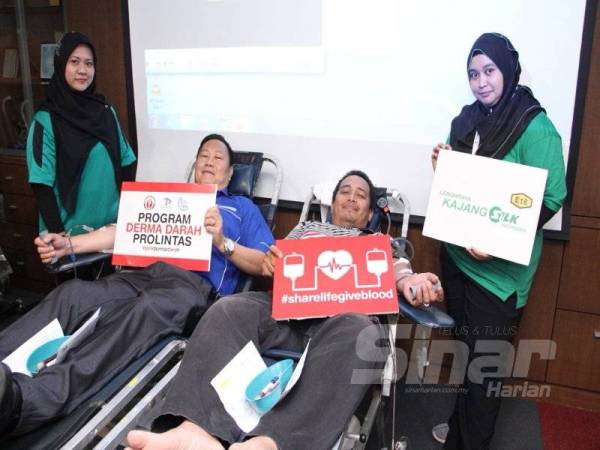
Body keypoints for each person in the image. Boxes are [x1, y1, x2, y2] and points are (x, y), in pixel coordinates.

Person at [125, 170, 444, 450]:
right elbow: (272, 263)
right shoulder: (305, 230)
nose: (351, 198)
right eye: (344, 191)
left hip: (340, 323)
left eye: (360, 195)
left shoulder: (380, 241)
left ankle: (269, 442)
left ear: (370, 211)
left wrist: (413, 284)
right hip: (286, 315)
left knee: (363, 331)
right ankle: (196, 430)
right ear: (332, 204)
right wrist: (265, 261)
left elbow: (402, 274)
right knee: (228, 310)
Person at [0, 134, 274, 440]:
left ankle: (27, 401)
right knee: (74, 293)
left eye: (218, 157)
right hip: (145, 273)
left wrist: (224, 242)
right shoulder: (172, 198)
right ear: (195, 164)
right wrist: (69, 245)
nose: (209, 161)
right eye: (203, 155)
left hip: (192, 287)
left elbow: (264, 263)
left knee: (142, 313)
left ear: (231, 172)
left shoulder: (242, 208)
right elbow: (120, 233)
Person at [429, 33, 567, 449]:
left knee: (483, 369)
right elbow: (465, 191)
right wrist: (444, 167)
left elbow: (552, 199)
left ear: (507, 70)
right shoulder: (469, 119)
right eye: (473, 74)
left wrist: (498, 241)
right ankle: (460, 427)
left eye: (489, 71)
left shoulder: (534, 126)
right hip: (457, 259)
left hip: (499, 275)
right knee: (466, 357)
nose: (481, 82)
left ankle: (471, 441)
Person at [26, 31, 136, 235]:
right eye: (74, 62)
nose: (82, 70)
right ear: (61, 66)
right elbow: (41, 185)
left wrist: (129, 219)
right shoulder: (45, 120)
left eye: (89, 63)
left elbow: (127, 162)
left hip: (111, 233)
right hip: (69, 237)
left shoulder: (105, 111)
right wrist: (60, 238)